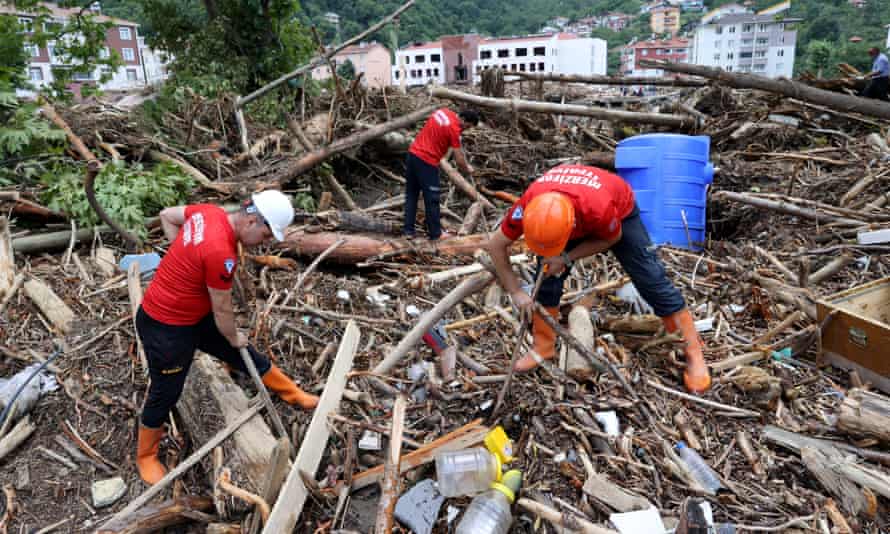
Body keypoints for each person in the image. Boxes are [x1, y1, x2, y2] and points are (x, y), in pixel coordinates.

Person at [135, 191, 319, 485]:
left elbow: (168, 215)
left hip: (194, 316)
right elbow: (222, 309)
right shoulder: (221, 252)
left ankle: (291, 392)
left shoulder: (210, 212)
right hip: (166, 326)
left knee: (239, 353)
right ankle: (146, 456)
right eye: (266, 233)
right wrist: (233, 335)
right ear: (251, 220)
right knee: (166, 391)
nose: (266, 242)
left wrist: (181, 259)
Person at [486, 164, 711, 394]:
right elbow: (495, 245)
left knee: (651, 280)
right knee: (545, 277)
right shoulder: (528, 206)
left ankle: (691, 350)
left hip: (617, 211)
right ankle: (543, 346)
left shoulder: (598, 208)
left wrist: (567, 257)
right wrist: (515, 291)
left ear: (571, 226)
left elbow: (612, 238)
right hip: (560, 217)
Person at [404, 108, 479, 240]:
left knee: (411, 195)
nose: (465, 129)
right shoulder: (454, 129)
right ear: (463, 119)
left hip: (412, 155)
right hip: (427, 162)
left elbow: (439, 132)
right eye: (466, 126)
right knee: (432, 199)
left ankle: (408, 231)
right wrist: (467, 169)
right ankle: (436, 234)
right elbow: (459, 160)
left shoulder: (442, 111)